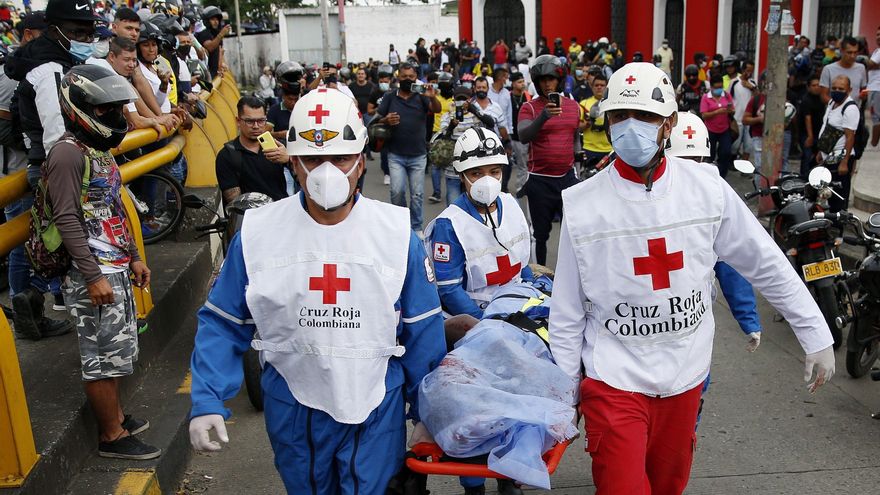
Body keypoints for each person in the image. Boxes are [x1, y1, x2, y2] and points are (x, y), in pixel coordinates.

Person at [550, 62, 835, 495]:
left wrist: (815, 332)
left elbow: (765, 262)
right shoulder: (583, 204)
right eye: (619, 116)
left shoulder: (707, 188)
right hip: (613, 380)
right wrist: (566, 391)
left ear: (668, 123)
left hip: (685, 377)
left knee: (668, 486)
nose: (630, 127)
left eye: (644, 116)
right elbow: (568, 309)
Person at [188, 88, 445, 494]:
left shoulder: (397, 235)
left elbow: (423, 330)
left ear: (361, 161)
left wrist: (428, 414)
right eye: (312, 159)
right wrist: (207, 400)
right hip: (294, 405)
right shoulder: (258, 233)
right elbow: (223, 321)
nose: (327, 172)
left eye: (340, 158)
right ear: (293, 161)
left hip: (376, 402)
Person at [44, 64, 159, 460]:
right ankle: (111, 436)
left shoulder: (97, 151)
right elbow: (67, 217)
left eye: (116, 108)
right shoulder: (66, 154)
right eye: (106, 109)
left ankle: (119, 418)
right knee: (99, 356)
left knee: (117, 351)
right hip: (90, 273)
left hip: (115, 266)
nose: (115, 116)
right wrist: (92, 276)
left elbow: (113, 206)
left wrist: (134, 258)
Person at [425, 128, 531, 495]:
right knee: (474, 410)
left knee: (517, 400)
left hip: (515, 318)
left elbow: (523, 266)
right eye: (476, 173)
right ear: (461, 174)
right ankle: (473, 483)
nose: (487, 181)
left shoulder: (513, 207)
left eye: (494, 171)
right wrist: (489, 327)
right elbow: (449, 288)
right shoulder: (448, 225)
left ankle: (510, 475)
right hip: (473, 327)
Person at [4, 0, 101, 340]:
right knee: (61, 247)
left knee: (49, 245)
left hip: (56, 164)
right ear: (54, 29)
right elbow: (58, 131)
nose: (86, 38)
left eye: (89, 31)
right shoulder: (49, 71)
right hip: (59, 167)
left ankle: (30, 299)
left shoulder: (61, 61)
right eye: (78, 31)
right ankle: (34, 301)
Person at [517, 54, 584, 265]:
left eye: (551, 79)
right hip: (539, 180)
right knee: (540, 235)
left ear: (559, 80)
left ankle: (570, 278)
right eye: (543, 80)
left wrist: (578, 165)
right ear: (536, 83)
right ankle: (539, 281)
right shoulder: (529, 108)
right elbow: (523, 135)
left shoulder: (573, 107)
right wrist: (544, 116)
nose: (547, 83)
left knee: (573, 233)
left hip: (567, 178)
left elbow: (574, 139)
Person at [375, 62, 442, 234]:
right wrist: (386, 120)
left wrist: (432, 96)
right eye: (404, 77)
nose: (407, 80)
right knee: (397, 192)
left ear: (416, 78)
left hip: (418, 155)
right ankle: (401, 225)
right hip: (395, 154)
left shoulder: (422, 95)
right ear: (398, 78)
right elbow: (377, 118)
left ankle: (417, 227)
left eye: (411, 77)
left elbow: (437, 109)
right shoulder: (390, 97)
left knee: (417, 194)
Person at [215, 96, 290, 206]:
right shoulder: (227, 155)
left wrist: (289, 159)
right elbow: (235, 202)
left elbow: (304, 180)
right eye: (249, 121)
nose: (256, 126)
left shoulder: (278, 148)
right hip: (250, 218)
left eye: (261, 121)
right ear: (238, 121)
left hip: (282, 213)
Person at [817, 75, 861, 212]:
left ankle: (839, 226)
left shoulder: (850, 108)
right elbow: (827, 126)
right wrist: (821, 151)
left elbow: (850, 137)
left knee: (838, 197)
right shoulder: (831, 103)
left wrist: (844, 162)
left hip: (840, 160)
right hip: (828, 157)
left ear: (849, 90)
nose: (837, 91)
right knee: (828, 193)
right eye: (834, 88)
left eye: (841, 88)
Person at [699, 74, 734, 177]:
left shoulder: (727, 95)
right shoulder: (706, 97)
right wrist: (717, 112)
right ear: (711, 87)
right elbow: (704, 115)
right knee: (710, 154)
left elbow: (732, 110)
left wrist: (730, 110)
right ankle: (708, 175)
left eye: (720, 87)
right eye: (716, 88)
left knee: (726, 152)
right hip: (710, 130)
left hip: (724, 129)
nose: (719, 90)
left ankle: (722, 175)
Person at [368, 63, 394, 185]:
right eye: (381, 80)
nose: (383, 82)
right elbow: (369, 110)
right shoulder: (375, 92)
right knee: (384, 152)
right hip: (382, 125)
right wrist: (379, 109)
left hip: (394, 124)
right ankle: (387, 173)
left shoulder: (395, 91)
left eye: (386, 80)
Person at [579, 73, 611, 169]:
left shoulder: (613, 104)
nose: (599, 88)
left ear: (607, 87)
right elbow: (578, 127)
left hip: (609, 149)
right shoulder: (583, 104)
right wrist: (588, 122)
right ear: (592, 87)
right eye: (596, 85)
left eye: (602, 85)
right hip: (589, 149)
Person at [508, 72, 531, 196]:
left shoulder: (527, 96)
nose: (522, 84)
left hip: (524, 136)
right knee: (509, 164)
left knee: (523, 164)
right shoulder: (508, 96)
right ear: (513, 83)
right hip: (511, 135)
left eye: (523, 81)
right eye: (519, 82)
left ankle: (520, 188)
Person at [728, 60, 756, 160]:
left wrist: (752, 88)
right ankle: (732, 162)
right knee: (734, 145)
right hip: (737, 119)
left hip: (749, 120)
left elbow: (758, 98)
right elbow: (728, 99)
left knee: (748, 146)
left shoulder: (753, 83)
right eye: (747, 70)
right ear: (743, 70)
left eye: (751, 71)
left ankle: (744, 168)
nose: (749, 73)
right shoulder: (734, 82)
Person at [799, 75, 825, 174]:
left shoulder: (821, 99)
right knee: (807, 157)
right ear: (808, 87)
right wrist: (810, 136)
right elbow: (807, 118)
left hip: (818, 134)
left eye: (818, 85)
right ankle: (804, 179)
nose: (817, 87)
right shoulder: (806, 100)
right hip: (807, 134)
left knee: (816, 158)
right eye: (814, 85)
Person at [195, 6, 229, 78]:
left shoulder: (216, 34)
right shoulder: (203, 33)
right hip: (207, 74)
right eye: (212, 19)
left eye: (217, 19)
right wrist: (221, 35)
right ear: (207, 21)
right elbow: (210, 47)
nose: (216, 22)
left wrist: (222, 64)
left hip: (216, 74)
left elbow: (220, 51)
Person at [866, 26, 880, 147]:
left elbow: (870, 64)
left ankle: (873, 143)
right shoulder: (877, 51)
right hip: (875, 87)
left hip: (877, 88)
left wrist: (862, 59)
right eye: (877, 34)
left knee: (876, 117)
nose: (878, 37)